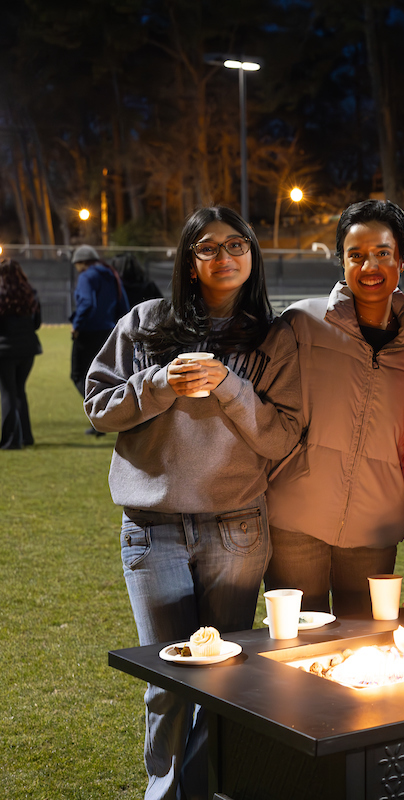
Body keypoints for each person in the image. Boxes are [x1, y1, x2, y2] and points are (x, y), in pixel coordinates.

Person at [85, 207, 302, 800]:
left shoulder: (273, 335)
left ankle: (211, 790)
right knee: (167, 675)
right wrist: (157, 385)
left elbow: (283, 435)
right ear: (188, 258)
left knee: (226, 673)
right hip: (151, 525)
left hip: (236, 525)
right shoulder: (146, 322)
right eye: (207, 247)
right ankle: (166, 792)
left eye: (237, 245)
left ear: (252, 255)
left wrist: (231, 387)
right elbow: (99, 408)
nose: (224, 257)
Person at [266, 200, 404, 617]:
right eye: (355, 255)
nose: (369, 266)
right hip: (294, 520)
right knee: (295, 653)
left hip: (375, 529)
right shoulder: (301, 322)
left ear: (402, 257)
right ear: (341, 261)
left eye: (381, 253)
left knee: (363, 655)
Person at [71, 244, 130, 435]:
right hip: (109, 330)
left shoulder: (87, 276)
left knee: (79, 375)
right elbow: (124, 303)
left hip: (88, 331)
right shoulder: (111, 274)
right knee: (104, 375)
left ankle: (101, 411)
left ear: (81, 263)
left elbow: (87, 303)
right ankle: (106, 414)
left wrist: (77, 325)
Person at [0, 259, 42, 450]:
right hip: (27, 349)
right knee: (19, 391)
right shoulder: (30, 294)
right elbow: (37, 323)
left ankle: (10, 440)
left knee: (8, 392)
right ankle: (25, 436)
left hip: (5, 350)